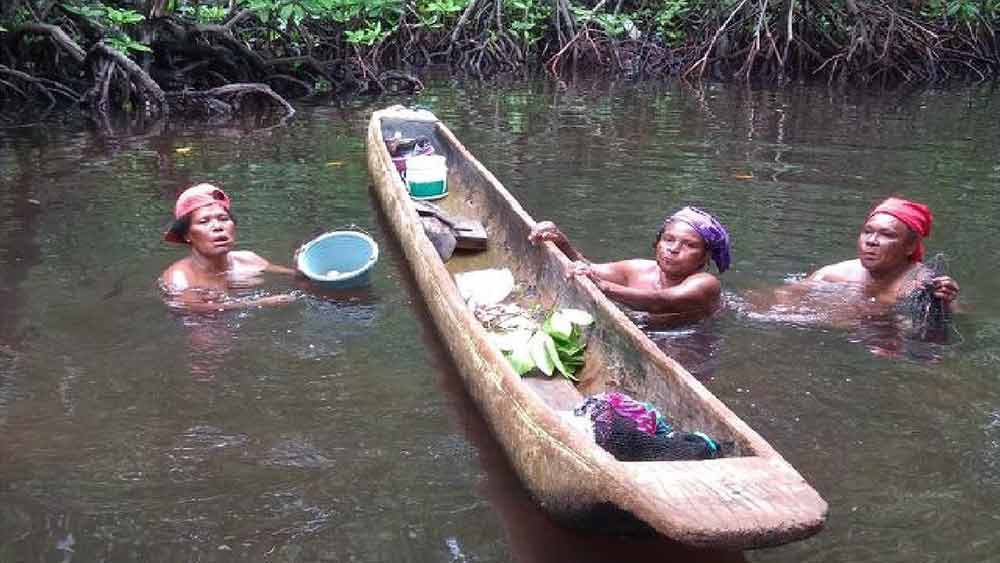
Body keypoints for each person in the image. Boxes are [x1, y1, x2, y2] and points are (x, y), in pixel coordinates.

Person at [528, 207, 731, 323]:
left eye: (690, 245)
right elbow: (587, 268)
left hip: (689, 344)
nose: (674, 249)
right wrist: (560, 241)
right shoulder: (639, 269)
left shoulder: (706, 284)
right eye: (669, 239)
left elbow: (660, 302)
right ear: (657, 242)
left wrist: (603, 286)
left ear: (706, 257)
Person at [160, 183, 300, 311]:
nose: (217, 227)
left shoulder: (249, 260)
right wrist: (259, 303)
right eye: (204, 221)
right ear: (186, 235)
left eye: (223, 219)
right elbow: (192, 308)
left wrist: (302, 267)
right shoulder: (180, 276)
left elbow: (301, 279)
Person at [805, 197, 959, 311]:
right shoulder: (831, 274)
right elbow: (786, 298)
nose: (871, 241)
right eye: (867, 231)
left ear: (910, 246)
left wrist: (945, 305)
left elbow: (955, 319)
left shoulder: (923, 287)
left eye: (887, 235)